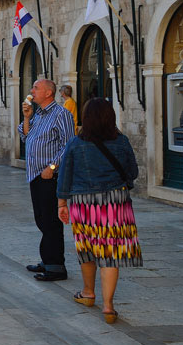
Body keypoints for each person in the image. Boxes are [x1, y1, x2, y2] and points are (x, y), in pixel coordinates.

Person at [57, 98, 142, 324]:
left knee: (87, 248)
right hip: (115, 202)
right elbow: (132, 172)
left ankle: (88, 292)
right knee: (110, 253)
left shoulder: (75, 143)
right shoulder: (121, 141)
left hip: (84, 203)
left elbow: (65, 174)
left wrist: (62, 203)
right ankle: (108, 306)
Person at [19, 78, 76, 282]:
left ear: (48, 93)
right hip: (35, 175)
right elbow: (26, 137)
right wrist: (26, 117)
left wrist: (52, 167)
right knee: (41, 218)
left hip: (50, 176)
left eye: (36, 88)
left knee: (51, 221)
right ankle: (47, 258)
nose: (32, 91)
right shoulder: (38, 115)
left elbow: (69, 145)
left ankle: (56, 266)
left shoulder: (61, 114)